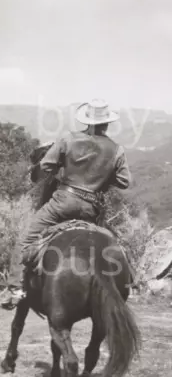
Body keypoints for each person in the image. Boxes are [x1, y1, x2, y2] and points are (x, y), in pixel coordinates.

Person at [0, 99, 132, 309]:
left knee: (25, 240)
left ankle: (14, 289)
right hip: (91, 209)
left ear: (87, 122)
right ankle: (126, 282)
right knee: (111, 245)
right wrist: (103, 175)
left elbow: (46, 166)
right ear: (107, 123)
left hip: (62, 203)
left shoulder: (68, 139)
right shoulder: (117, 150)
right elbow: (125, 182)